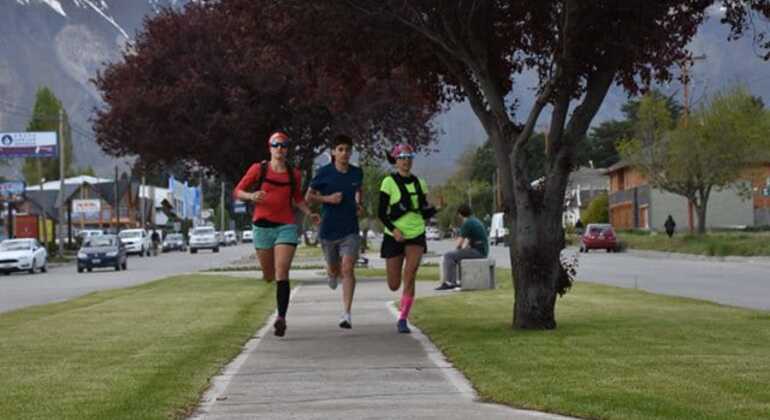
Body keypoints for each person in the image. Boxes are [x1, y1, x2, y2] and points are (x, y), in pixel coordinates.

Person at [233, 131, 320, 337]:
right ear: (270, 147)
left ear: (287, 149)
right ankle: (270, 281)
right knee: (269, 275)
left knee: (282, 272)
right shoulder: (258, 169)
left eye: (284, 145)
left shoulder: (294, 174)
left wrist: (310, 213)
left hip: (286, 226)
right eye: (276, 145)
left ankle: (281, 318)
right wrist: (251, 195)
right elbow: (238, 190)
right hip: (262, 227)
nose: (280, 149)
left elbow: (297, 198)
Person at [305, 134, 363, 329]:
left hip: (350, 229)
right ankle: (331, 272)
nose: (344, 153)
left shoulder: (357, 173)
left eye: (347, 150)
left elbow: (358, 191)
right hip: (329, 230)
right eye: (340, 149)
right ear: (333, 152)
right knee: (335, 269)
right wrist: (327, 199)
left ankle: (346, 314)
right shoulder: (324, 173)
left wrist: (358, 204)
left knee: (347, 268)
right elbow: (309, 197)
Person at [378, 144, 436, 333]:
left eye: (409, 157)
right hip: (394, 234)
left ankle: (403, 319)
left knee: (410, 275)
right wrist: (393, 229)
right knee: (394, 284)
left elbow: (425, 212)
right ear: (395, 160)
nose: (406, 161)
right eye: (402, 157)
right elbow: (381, 212)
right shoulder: (388, 182)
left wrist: (436, 208)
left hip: (416, 233)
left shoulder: (420, 182)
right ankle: (401, 301)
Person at [435, 204, 489, 290]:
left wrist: (456, 250)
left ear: (460, 214)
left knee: (448, 255)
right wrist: (462, 250)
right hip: (483, 251)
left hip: (478, 252)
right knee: (459, 256)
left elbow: (459, 243)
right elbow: (468, 240)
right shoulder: (475, 221)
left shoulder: (467, 223)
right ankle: (459, 281)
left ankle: (449, 282)